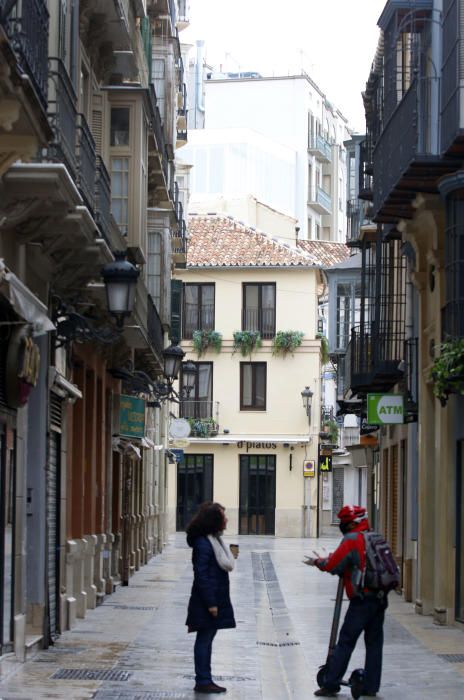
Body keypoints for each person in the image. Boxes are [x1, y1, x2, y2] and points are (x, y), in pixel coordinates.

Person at [304, 505, 388, 698]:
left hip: (361, 601)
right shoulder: (375, 537)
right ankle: (371, 686)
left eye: (342, 523)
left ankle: (331, 683)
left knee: (346, 641)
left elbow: (333, 565)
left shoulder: (351, 539)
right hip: (380, 599)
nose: (341, 526)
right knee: (374, 644)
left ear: (350, 523)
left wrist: (319, 562)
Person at [186, 502, 236, 694]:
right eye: (223, 517)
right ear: (214, 521)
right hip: (207, 601)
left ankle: (205, 678)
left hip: (213, 597)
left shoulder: (213, 541)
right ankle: (203, 679)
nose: (227, 520)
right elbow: (202, 575)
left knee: (207, 638)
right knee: (204, 639)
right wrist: (211, 604)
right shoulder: (204, 544)